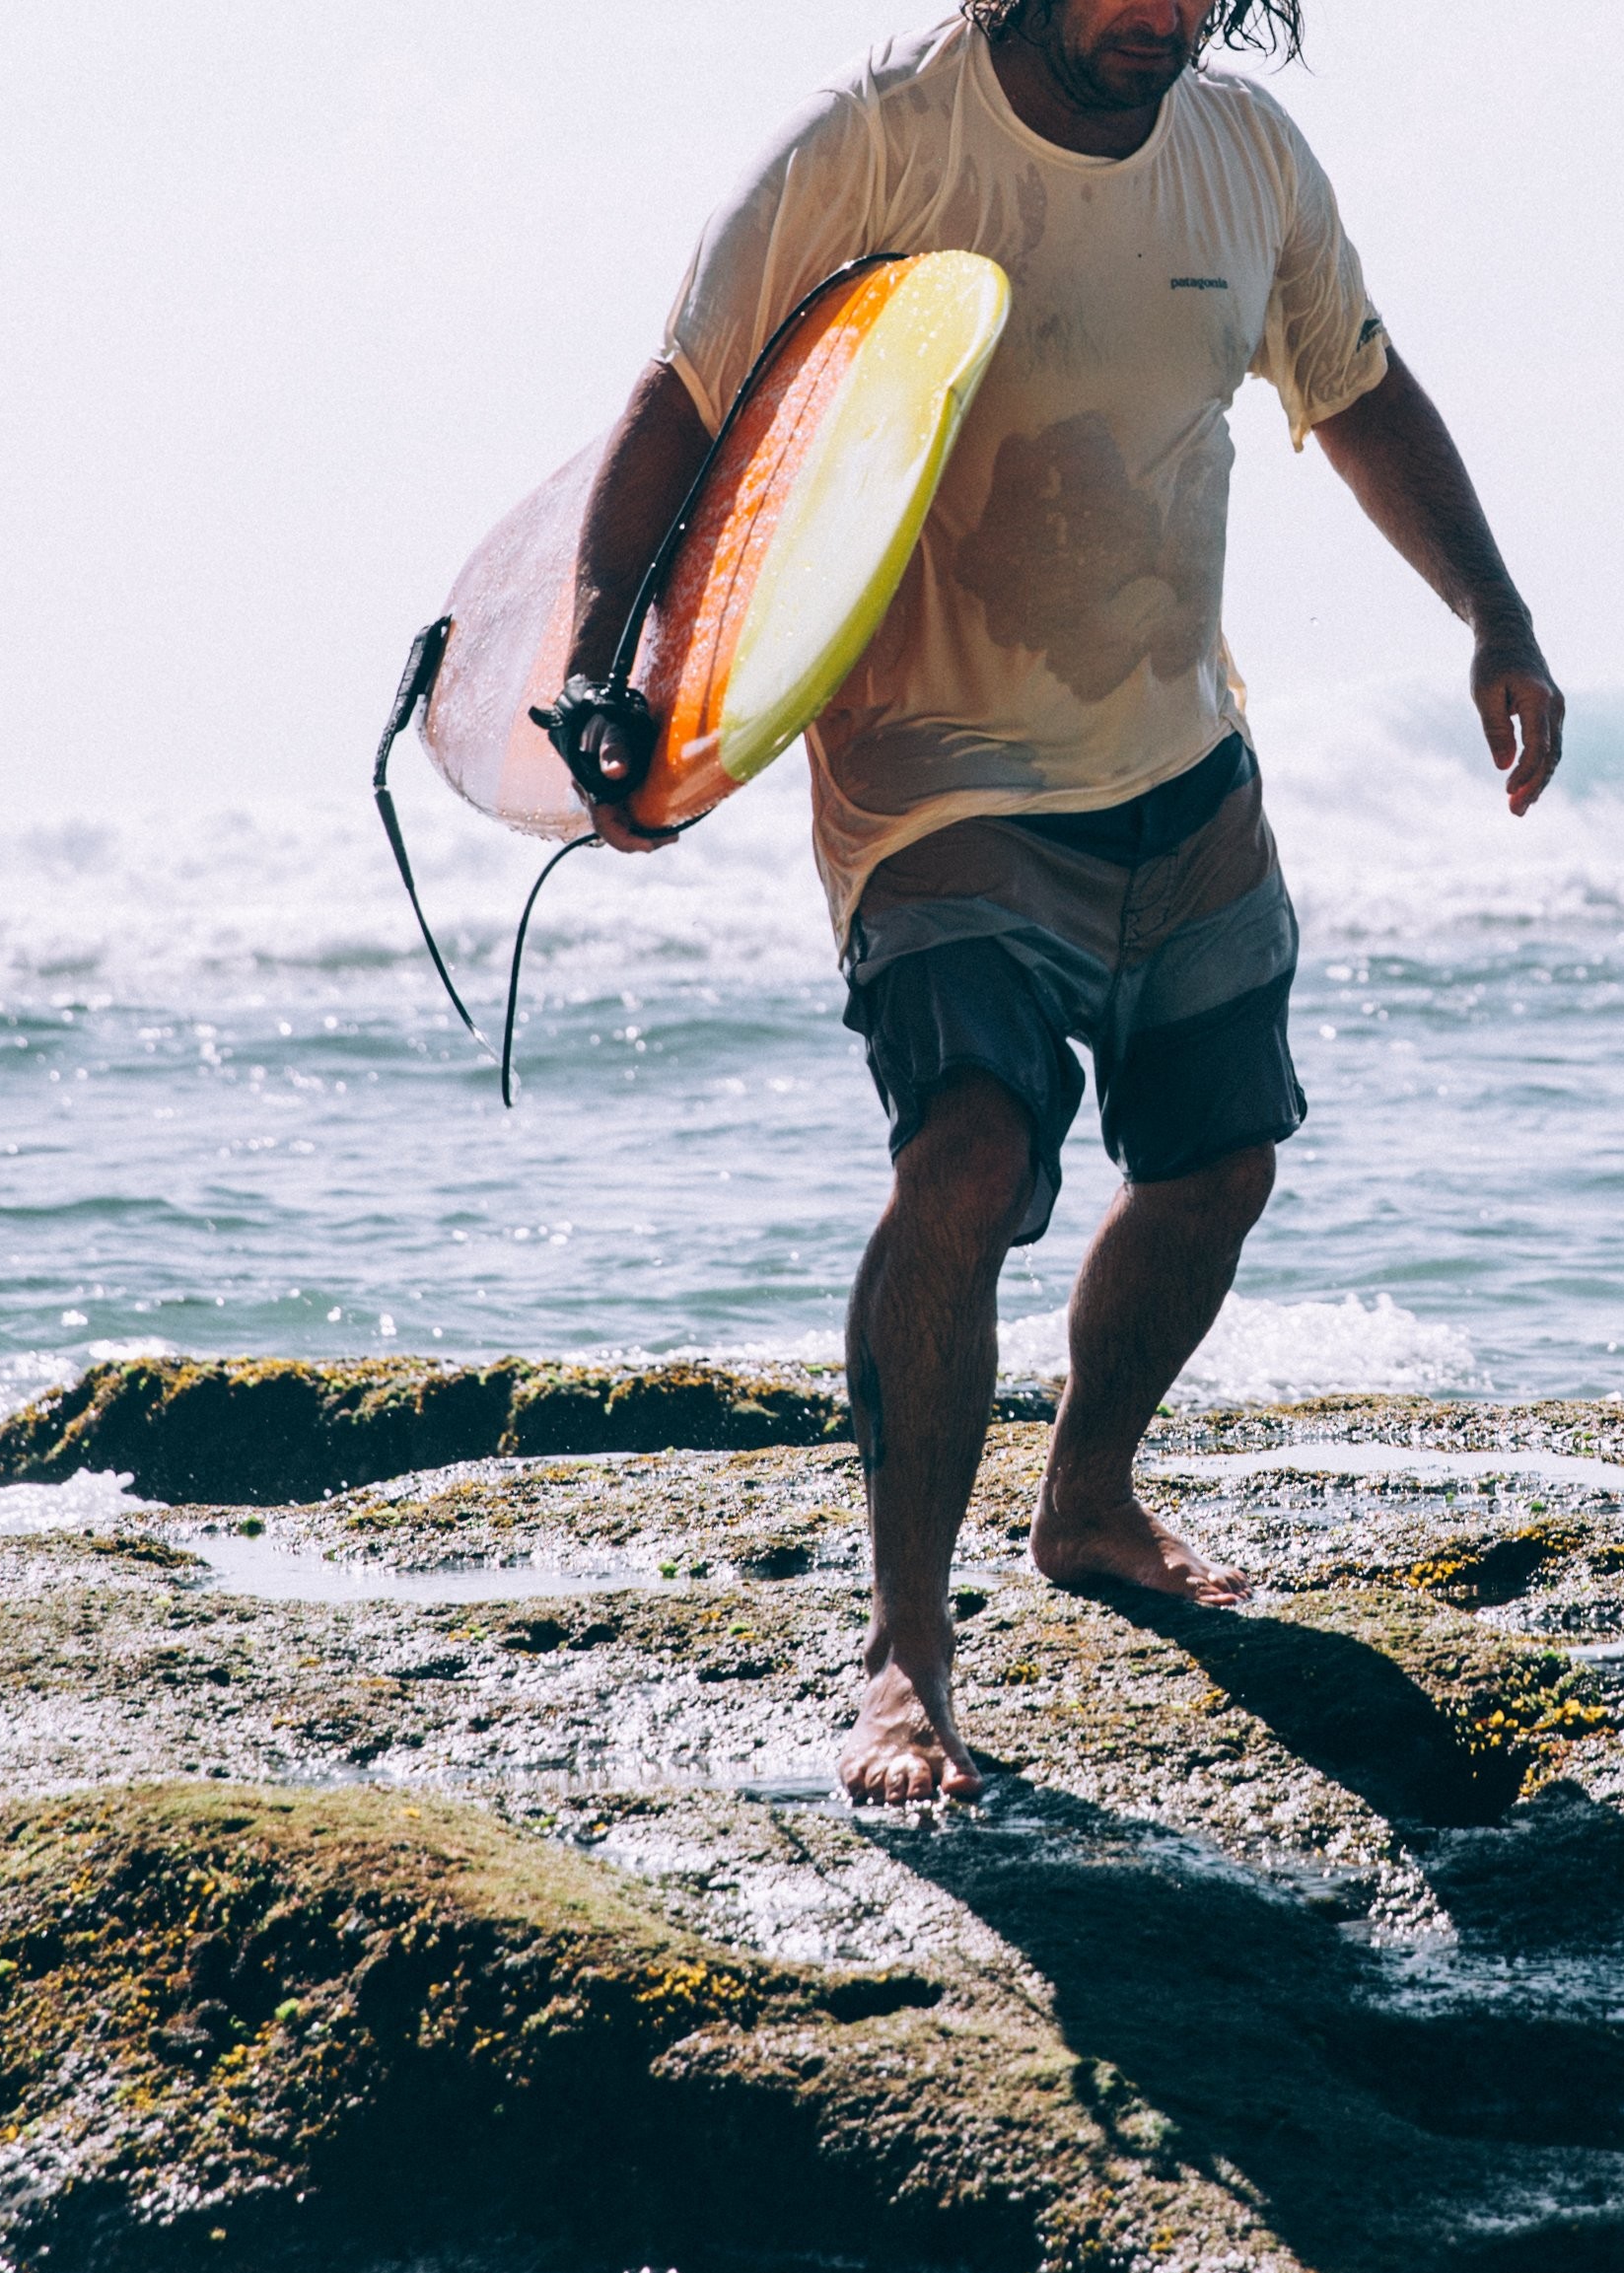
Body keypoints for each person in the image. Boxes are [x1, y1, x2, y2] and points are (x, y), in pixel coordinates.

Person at [548, 0, 1565, 1804]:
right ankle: (903, 1653)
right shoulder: (878, 145)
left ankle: (1085, 1494)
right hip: (934, 785)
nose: (1158, 19)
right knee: (965, 1153)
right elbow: (679, 407)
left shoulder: (1244, 158)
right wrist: (602, 678)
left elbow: (1356, 388)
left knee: (1216, 1166)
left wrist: (1494, 613)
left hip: (1178, 763)